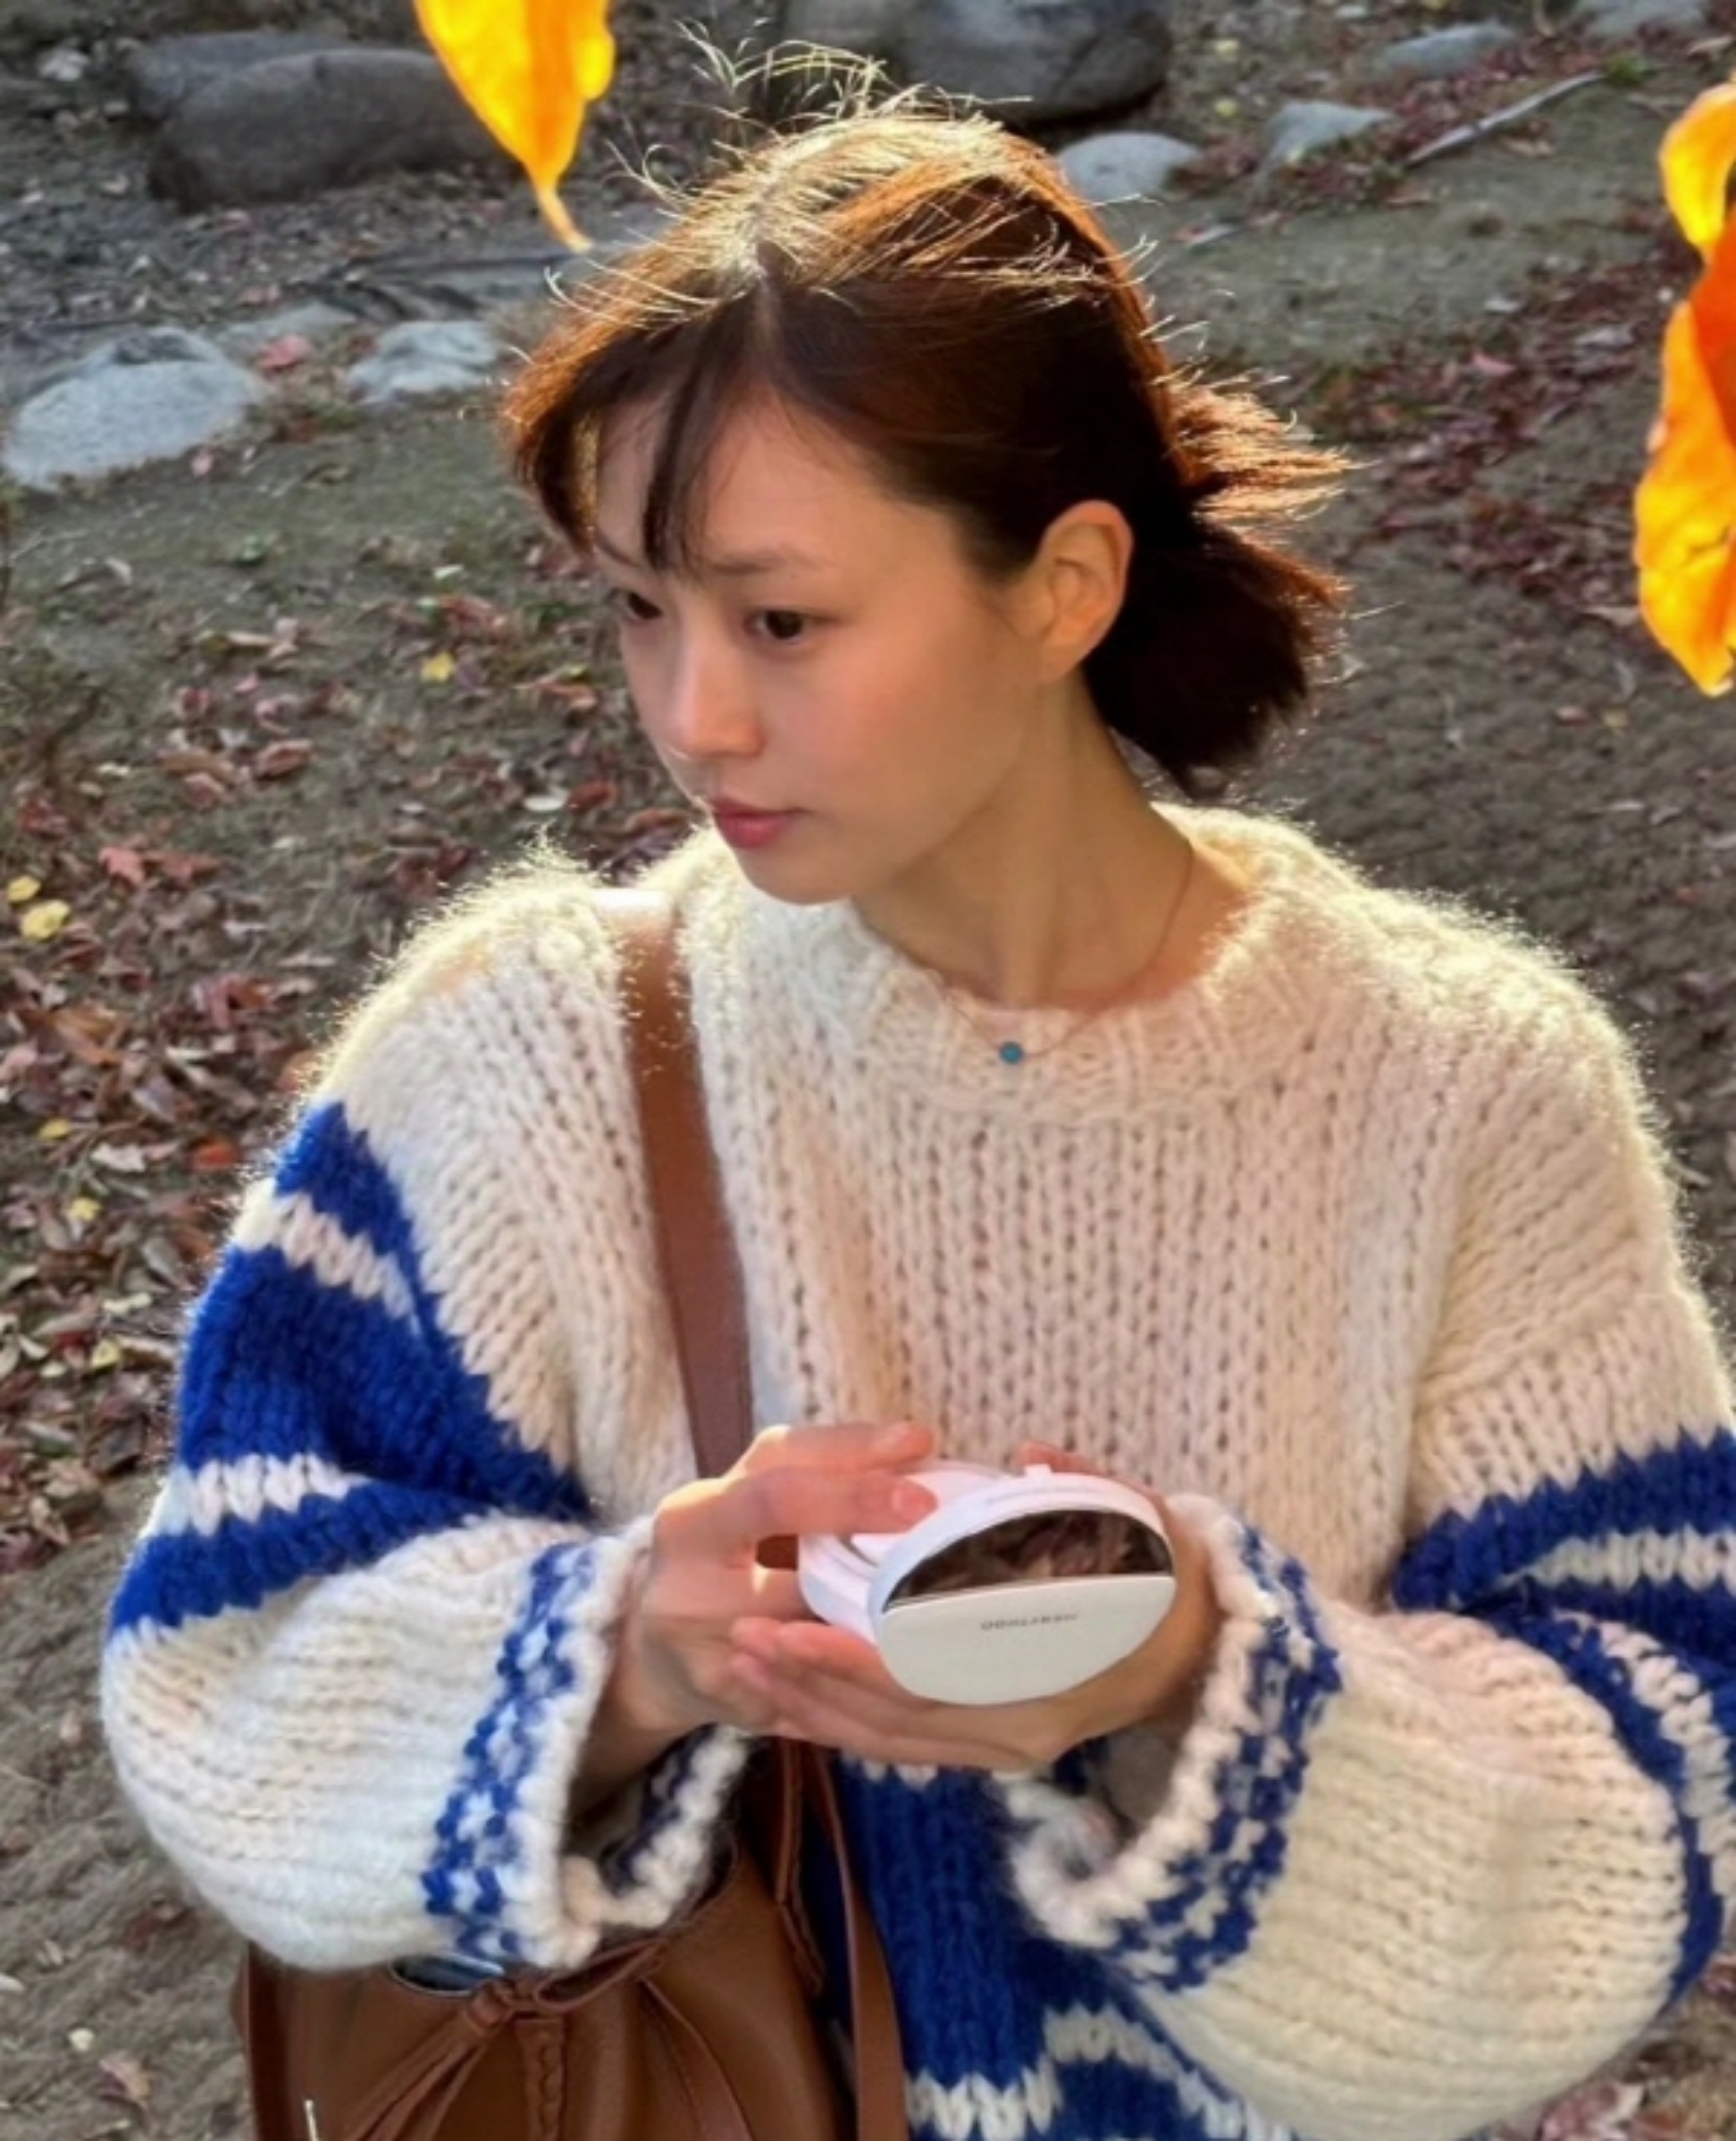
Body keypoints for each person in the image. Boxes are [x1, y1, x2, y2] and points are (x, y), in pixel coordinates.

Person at [102, 85, 1736, 2141]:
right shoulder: (529, 1053)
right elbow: (222, 1651)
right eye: (636, 605)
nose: (690, 713)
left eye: (779, 619)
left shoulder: (1467, 1088)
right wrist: (628, 1652)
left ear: (1063, 586)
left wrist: (1184, 1675)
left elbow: (1652, 1783)